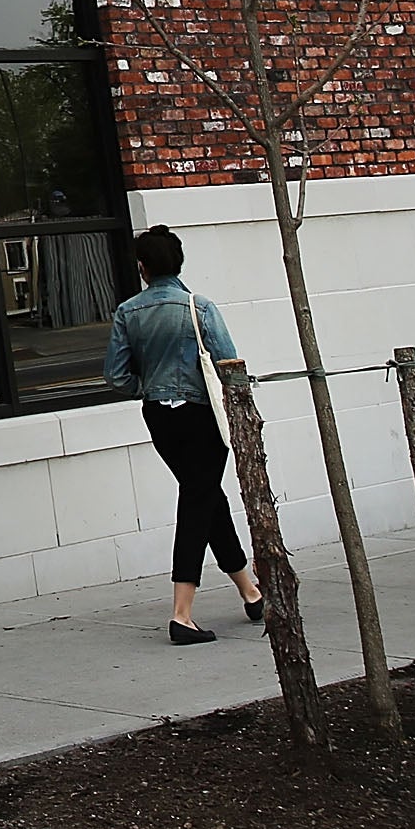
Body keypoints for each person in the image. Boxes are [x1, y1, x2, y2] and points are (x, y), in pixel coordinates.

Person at [102, 225, 267, 644]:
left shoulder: (127, 312)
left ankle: (250, 591)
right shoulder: (200, 306)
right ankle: (181, 615)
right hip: (201, 415)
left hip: (160, 418)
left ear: (142, 268)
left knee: (206, 495)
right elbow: (230, 365)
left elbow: (116, 376)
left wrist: (152, 387)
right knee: (199, 498)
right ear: (179, 262)